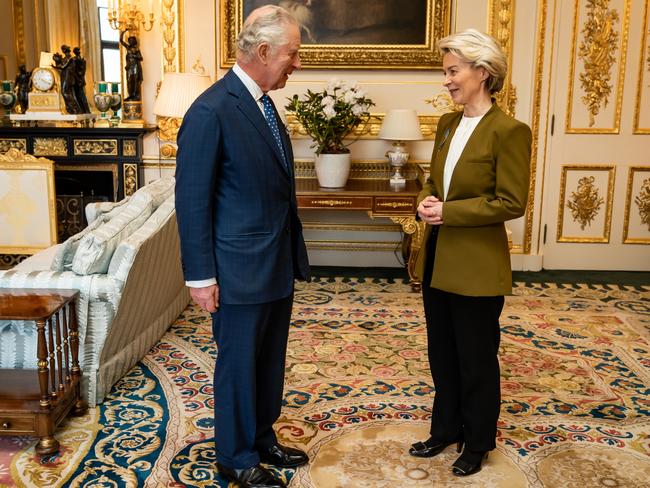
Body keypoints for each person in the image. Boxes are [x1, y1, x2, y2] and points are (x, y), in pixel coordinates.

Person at [175, 5, 310, 488]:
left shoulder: (263, 102)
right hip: (235, 270)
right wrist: (201, 277)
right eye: (292, 54)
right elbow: (192, 201)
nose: (297, 63)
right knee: (237, 366)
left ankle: (261, 437)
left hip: (273, 263)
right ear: (264, 51)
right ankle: (235, 457)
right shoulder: (211, 109)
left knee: (269, 358)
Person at [409, 29, 531, 477]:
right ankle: (445, 429)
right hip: (439, 259)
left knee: (476, 357)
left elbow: (510, 202)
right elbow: (433, 182)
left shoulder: (509, 131)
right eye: (446, 71)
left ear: (482, 72)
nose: (447, 80)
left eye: (453, 71)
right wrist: (425, 200)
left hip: (477, 266)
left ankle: (477, 441)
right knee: (441, 352)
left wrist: (449, 211)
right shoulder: (446, 124)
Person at [120, 31, 143, 101]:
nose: (130, 41)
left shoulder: (136, 49)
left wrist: (133, 55)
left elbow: (141, 58)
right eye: (129, 40)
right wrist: (123, 32)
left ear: (134, 41)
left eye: (131, 40)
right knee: (129, 80)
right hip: (129, 67)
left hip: (135, 66)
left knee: (135, 81)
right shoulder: (128, 47)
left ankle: (135, 95)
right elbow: (121, 41)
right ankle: (130, 95)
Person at [72, 47, 91, 113]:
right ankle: (83, 111)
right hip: (78, 80)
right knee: (78, 97)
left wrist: (79, 78)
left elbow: (82, 71)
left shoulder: (78, 60)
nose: (79, 51)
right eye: (77, 50)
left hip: (78, 80)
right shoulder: (77, 60)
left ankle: (86, 111)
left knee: (81, 97)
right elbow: (76, 71)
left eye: (79, 50)